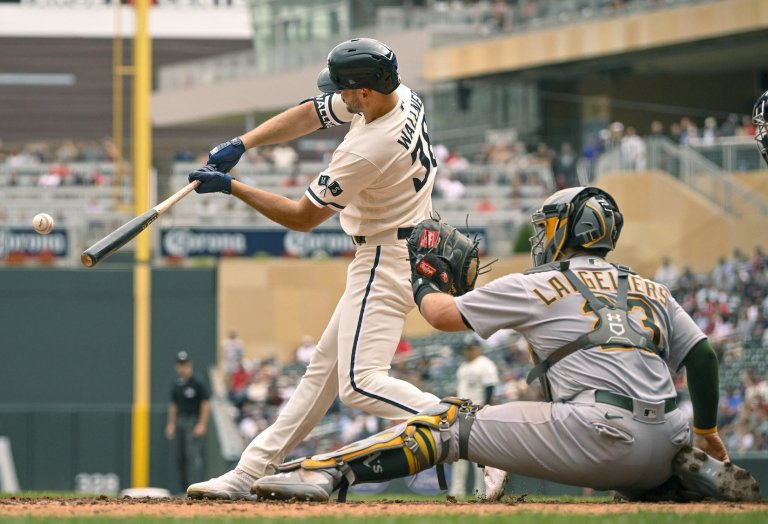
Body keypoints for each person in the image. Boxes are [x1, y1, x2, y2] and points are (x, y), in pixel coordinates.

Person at [250, 186, 761, 503]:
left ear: (567, 230)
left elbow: (441, 316)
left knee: (448, 422)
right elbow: (703, 355)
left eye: (548, 226)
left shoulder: (537, 282)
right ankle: (672, 481)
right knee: (643, 460)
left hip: (598, 434)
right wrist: (707, 431)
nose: (541, 236)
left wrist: (422, 275)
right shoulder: (651, 287)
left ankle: (324, 473)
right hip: (670, 435)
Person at [186, 37, 506, 500]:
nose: (338, 96)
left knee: (359, 383)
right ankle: (248, 472)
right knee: (321, 375)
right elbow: (310, 113)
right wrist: (243, 142)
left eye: (344, 89)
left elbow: (303, 217)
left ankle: (481, 437)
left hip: (385, 255)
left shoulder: (371, 147)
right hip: (407, 244)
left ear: (366, 91)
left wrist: (233, 186)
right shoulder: (399, 94)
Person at [449, 334, 499, 498]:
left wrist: (484, 410)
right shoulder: (463, 366)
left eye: (471, 348)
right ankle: (457, 491)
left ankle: (480, 491)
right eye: (466, 348)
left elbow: (490, 388)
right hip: (461, 413)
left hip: (477, 412)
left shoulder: (485, 364)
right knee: (458, 456)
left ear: (478, 348)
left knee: (478, 456)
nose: (468, 351)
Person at [165, 351, 211, 494]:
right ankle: (183, 489)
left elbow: (205, 403)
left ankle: (195, 488)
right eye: (180, 365)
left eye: (185, 364)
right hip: (180, 421)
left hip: (193, 421)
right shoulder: (176, 384)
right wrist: (171, 424)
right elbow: (173, 405)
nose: (182, 368)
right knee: (181, 457)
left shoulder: (197, 382)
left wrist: (202, 424)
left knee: (193, 456)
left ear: (189, 365)